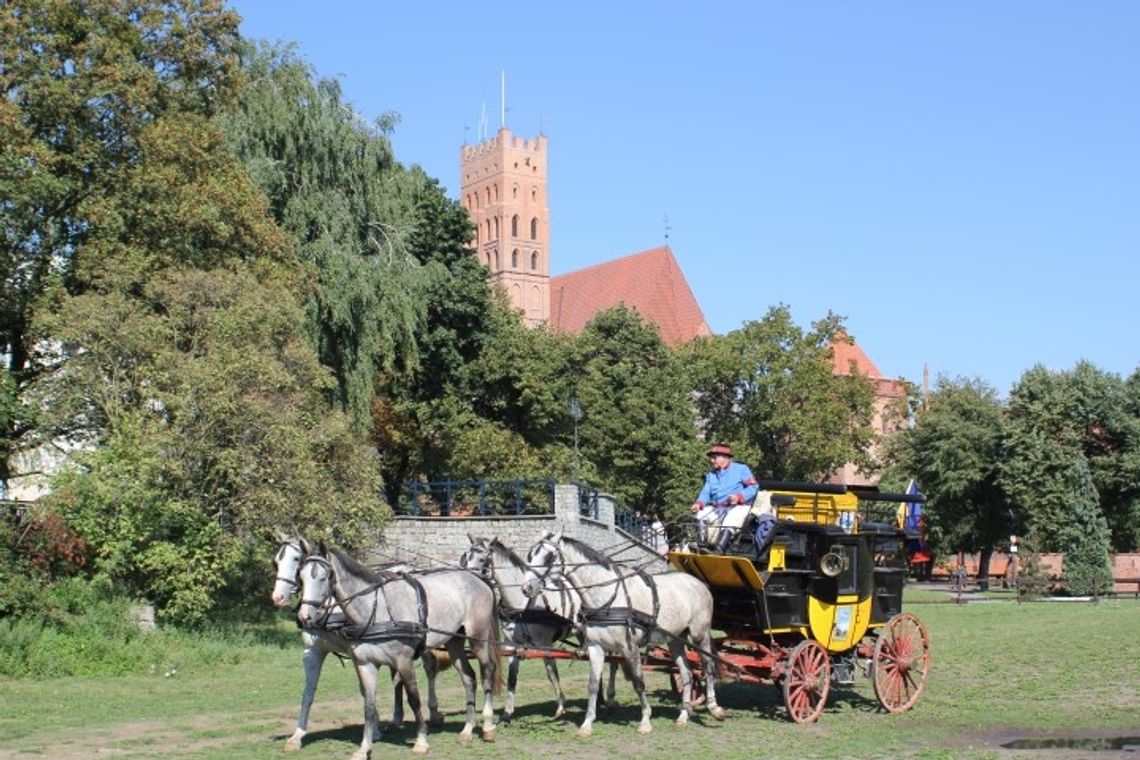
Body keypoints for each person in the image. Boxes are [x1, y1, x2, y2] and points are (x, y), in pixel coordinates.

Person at [691, 443, 759, 551]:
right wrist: (699, 503)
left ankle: (720, 549)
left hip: (738, 506)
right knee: (700, 515)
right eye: (711, 458)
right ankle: (702, 546)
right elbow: (706, 492)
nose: (711, 461)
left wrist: (739, 496)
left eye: (714, 458)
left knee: (730, 520)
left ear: (725, 458)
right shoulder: (711, 475)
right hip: (718, 508)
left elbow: (754, 487)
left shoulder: (741, 469)